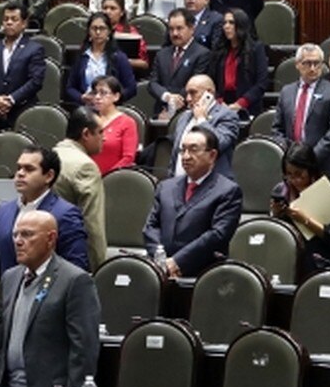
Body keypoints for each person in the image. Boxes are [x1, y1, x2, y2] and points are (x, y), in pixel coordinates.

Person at [0, 210, 100, 387]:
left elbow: (83, 350)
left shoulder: (75, 280)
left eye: (27, 234)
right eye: (15, 234)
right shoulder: (9, 278)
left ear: (51, 239)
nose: (18, 241)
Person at [143, 126, 243, 278]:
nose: (186, 156)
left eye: (193, 150)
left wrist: (178, 261)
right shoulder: (166, 187)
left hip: (203, 275)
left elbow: (218, 235)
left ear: (212, 155)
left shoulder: (228, 191)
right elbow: (151, 227)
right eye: (183, 150)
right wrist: (162, 261)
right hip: (162, 272)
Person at [0, 145, 90, 276]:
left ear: (49, 176)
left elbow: (75, 268)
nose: (20, 173)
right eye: (19, 168)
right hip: (9, 294)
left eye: (29, 169)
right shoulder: (3, 212)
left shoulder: (65, 214)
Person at [271, 44, 330, 180]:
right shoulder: (286, 92)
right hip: (292, 168)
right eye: (307, 63)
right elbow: (277, 129)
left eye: (317, 63)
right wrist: (289, 155)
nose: (313, 68)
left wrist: (310, 158)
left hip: (322, 166)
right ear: (297, 64)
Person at [271, 143, 330, 271]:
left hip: (319, 259)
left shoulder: (328, 192)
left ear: (310, 170)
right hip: (288, 258)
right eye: (289, 174)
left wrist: (306, 220)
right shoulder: (281, 191)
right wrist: (275, 215)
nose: (294, 179)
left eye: (299, 174)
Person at [55, 107, 108, 271]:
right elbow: (92, 223)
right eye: (100, 132)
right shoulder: (85, 166)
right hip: (72, 255)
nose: (104, 138)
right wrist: (98, 267)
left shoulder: (51, 154)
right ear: (86, 134)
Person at [0, 4, 45, 132]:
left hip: (23, 111)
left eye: (14, 19)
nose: (9, 22)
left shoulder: (34, 49)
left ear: (24, 23)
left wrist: (11, 100)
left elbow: (36, 81)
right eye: (6, 19)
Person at [167, 75, 240, 178]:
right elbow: (176, 154)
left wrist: (201, 120)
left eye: (193, 93)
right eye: (187, 93)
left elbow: (219, 144)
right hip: (180, 185)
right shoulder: (184, 117)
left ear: (209, 93)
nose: (187, 98)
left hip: (213, 187)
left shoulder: (227, 116)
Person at [149, 8, 211, 120]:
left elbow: (196, 85)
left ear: (192, 29)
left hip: (188, 113)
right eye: (171, 29)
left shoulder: (202, 54)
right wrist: (167, 96)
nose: (175, 33)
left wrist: (174, 102)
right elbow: (153, 83)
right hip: (160, 112)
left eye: (179, 28)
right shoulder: (162, 54)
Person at [65, 12, 136, 107]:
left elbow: (131, 88)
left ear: (109, 31)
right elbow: (70, 88)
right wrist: (81, 97)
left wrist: (112, 98)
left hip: (112, 108)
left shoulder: (119, 57)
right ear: (89, 31)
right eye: (94, 28)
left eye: (102, 28)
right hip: (86, 108)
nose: (98, 32)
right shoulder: (81, 57)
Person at [209, 9, 269, 118]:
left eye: (231, 23)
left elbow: (262, 83)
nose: (226, 26)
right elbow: (213, 81)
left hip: (248, 107)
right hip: (222, 106)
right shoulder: (219, 50)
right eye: (225, 23)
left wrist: (240, 104)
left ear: (241, 25)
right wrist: (219, 101)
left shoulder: (256, 49)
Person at [87, 76, 138, 175]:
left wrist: (109, 177)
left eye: (103, 93)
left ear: (116, 96)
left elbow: (128, 158)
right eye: (95, 93)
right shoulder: (88, 120)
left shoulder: (127, 122)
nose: (97, 97)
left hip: (114, 180)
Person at [98, 0, 149, 73]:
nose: (108, 11)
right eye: (105, 8)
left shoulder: (131, 33)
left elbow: (144, 63)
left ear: (122, 12)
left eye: (113, 8)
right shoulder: (96, 30)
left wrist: (122, 61)